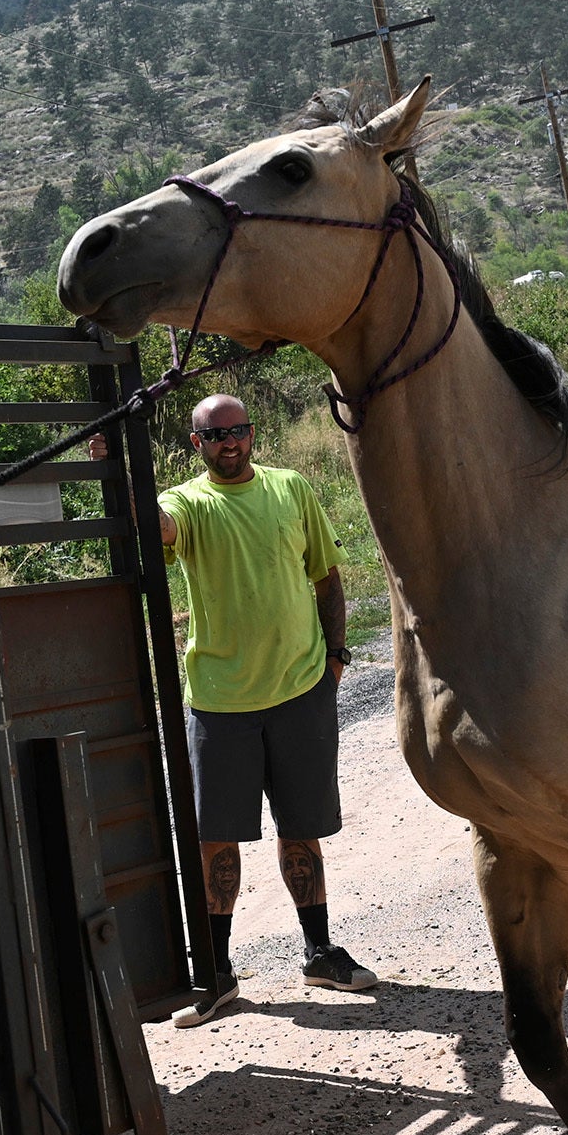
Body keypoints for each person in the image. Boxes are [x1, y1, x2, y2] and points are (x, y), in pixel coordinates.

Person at [152, 391, 375, 1024]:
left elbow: (326, 576)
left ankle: (319, 951)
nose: (230, 441)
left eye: (239, 430)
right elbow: (159, 530)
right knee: (216, 836)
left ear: (253, 434)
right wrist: (122, 476)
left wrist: (335, 660)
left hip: (301, 690)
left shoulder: (291, 488)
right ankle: (217, 973)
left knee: (301, 827)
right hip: (221, 701)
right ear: (196, 444)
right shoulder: (188, 502)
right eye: (215, 434)